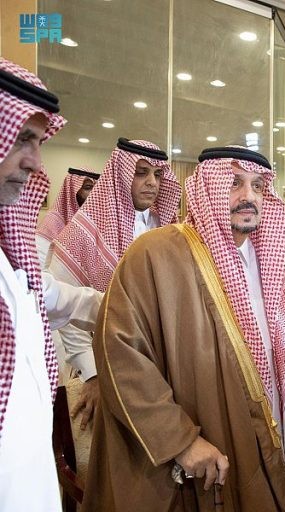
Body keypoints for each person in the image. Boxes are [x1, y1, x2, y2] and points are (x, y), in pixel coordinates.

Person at [83, 146, 285, 511]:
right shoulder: (157, 253)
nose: (249, 196)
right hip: (205, 440)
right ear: (208, 187)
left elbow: (273, 325)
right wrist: (180, 441)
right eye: (234, 183)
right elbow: (120, 353)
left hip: (270, 430)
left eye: (258, 186)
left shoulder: (266, 257)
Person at [0, 57, 102, 511]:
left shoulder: (11, 262)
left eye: (38, 143)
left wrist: (139, 302)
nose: (36, 162)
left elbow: (63, 298)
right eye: (22, 138)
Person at [48, 137, 181, 430]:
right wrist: (92, 373)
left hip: (155, 369)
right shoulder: (82, 232)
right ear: (121, 174)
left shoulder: (166, 230)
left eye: (158, 175)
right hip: (101, 367)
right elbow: (64, 309)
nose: (152, 183)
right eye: (141, 172)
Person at [35, 166, 99, 266]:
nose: (94, 192)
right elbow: (40, 263)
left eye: (96, 188)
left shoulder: (92, 221)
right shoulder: (52, 222)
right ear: (72, 190)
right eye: (88, 187)